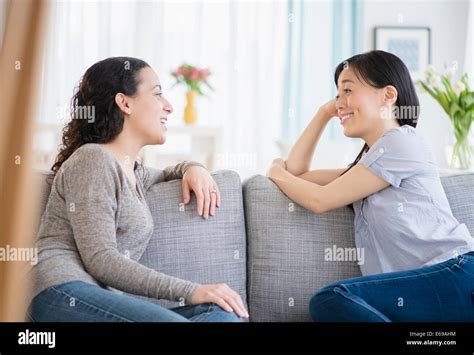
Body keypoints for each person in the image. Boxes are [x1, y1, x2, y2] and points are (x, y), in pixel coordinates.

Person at [27, 57, 248, 322]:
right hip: (60, 292)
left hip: (98, 299)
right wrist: (192, 291)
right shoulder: (92, 159)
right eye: (157, 94)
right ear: (125, 102)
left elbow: (167, 173)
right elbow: (100, 258)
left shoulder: (133, 172)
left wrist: (193, 168)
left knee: (220, 314)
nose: (169, 107)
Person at [267, 50, 474, 322]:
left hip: (454, 274)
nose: (339, 102)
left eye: (348, 90)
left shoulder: (403, 142)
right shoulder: (366, 168)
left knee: (331, 298)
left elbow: (319, 199)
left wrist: (273, 170)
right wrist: (323, 113)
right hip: (421, 291)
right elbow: (297, 173)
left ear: (388, 95)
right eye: (336, 95)